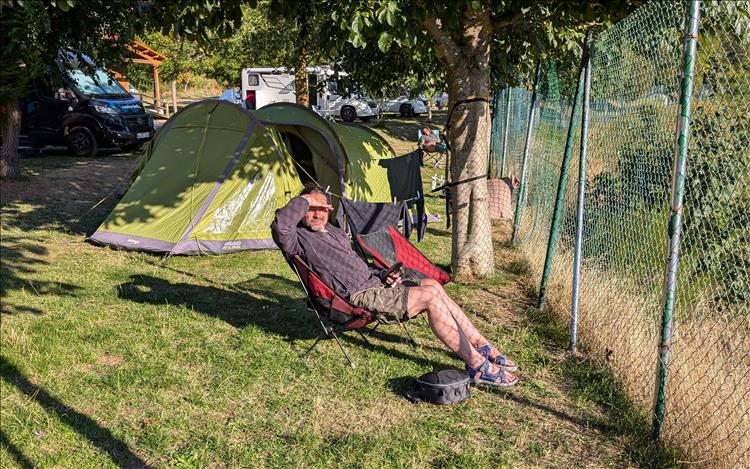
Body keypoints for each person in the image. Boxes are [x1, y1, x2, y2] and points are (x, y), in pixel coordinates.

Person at [271, 184, 518, 387]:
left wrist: (380, 273)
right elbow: (280, 224)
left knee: (432, 285)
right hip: (355, 299)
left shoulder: (334, 232)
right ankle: (477, 366)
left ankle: (481, 345)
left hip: (374, 285)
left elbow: (357, 266)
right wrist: (306, 198)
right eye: (310, 209)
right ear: (300, 209)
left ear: (329, 209)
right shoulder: (296, 239)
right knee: (429, 299)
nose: (317, 214)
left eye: (322, 208)